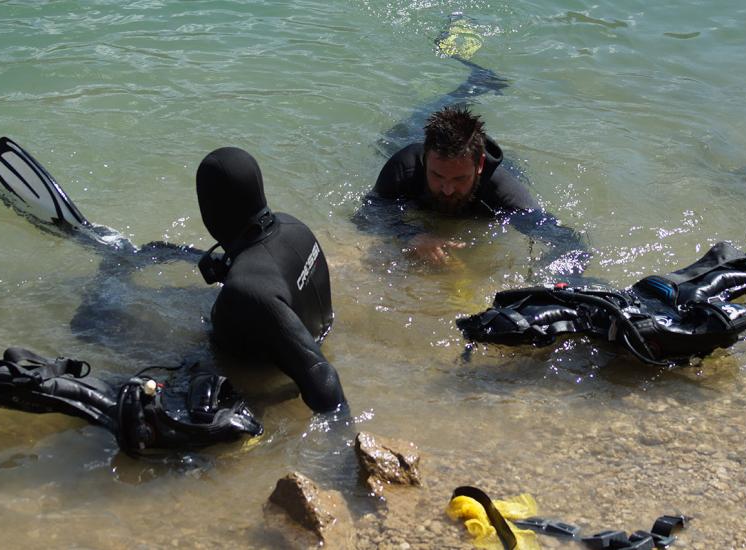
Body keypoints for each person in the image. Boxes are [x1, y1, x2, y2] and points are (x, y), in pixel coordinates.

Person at [195, 147, 347, 414]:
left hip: (261, 376)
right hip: (313, 334)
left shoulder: (247, 288)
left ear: (210, 208)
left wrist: (341, 447)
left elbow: (322, 377)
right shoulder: (294, 226)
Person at [356, 105, 588, 275]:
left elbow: (569, 243)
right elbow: (367, 215)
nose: (447, 189)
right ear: (426, 159)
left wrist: (545, 276)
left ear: (479, 167)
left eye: (459, 179)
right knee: (387, 139)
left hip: (508, 171)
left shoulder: (501, 191)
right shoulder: (404, 167)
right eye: (437, 176)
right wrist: (413, 235)